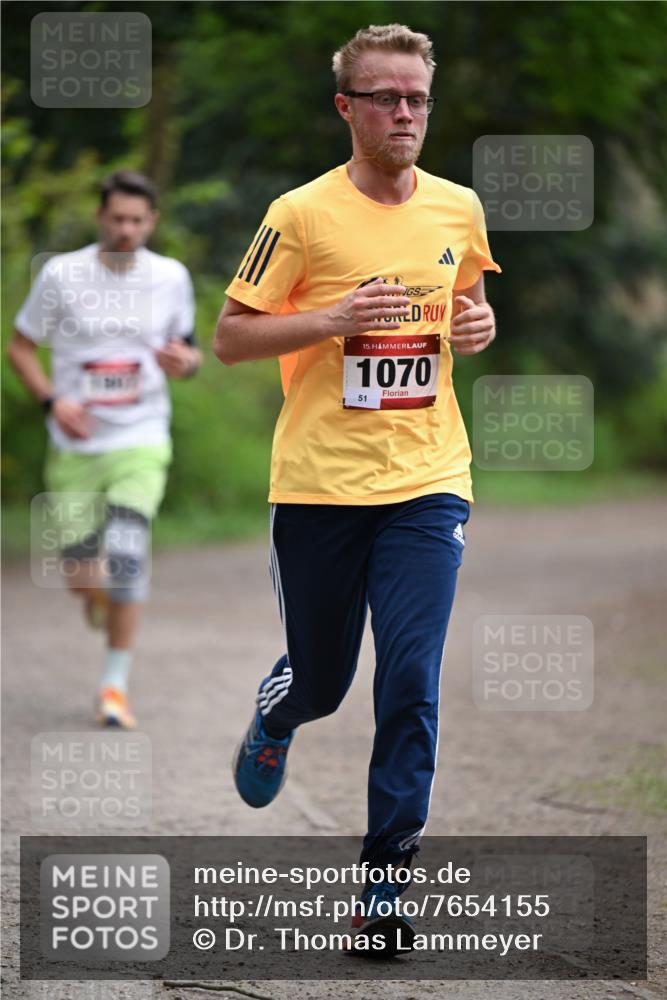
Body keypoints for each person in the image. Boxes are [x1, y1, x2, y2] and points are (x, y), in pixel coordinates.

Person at [214, 23, 500, 956]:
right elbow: (230, 336)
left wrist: (476, 328)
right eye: (384, 97)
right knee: (328, 682)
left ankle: (383, 892)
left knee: (410, 681)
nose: (405, 112)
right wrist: (331, 316)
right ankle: (278, 710)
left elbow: (465, 308)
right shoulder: (298, 214)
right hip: (319, 488)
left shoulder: (458, 207)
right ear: (347, 107)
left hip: (428, 480)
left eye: (416, 96)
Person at [8, 170, 202, 729]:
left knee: (127, 555)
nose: (126, 229)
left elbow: (188, 353)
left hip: (141, 437)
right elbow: (20, 348)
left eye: (137, 221)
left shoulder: (171, 277)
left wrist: (184, 364)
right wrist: (51, 402)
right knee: (81, 575)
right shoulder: (62, 274)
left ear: (152, 223)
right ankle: (99, 597)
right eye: (117, 218)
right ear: (100, 217)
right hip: (76, 443)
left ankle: (114, 686)